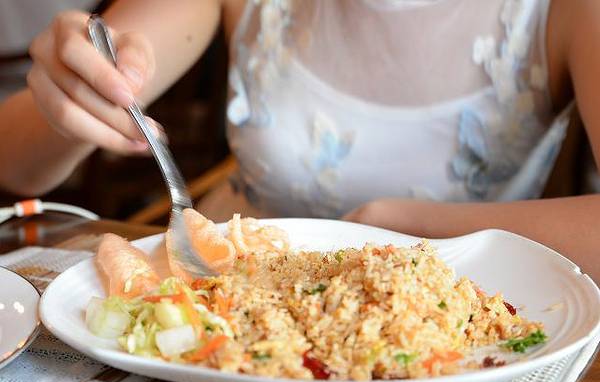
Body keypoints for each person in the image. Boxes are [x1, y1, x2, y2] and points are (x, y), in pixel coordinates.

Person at [0, 0, 599, 281]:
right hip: (217, 298)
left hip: (452, 320)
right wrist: (71, 88)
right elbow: (16, 161)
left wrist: (399, 223)